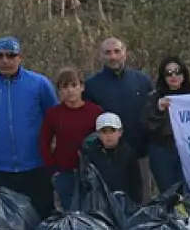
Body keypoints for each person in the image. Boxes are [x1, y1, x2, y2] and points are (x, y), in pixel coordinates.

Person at [0, 37, 59, 218]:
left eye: (11, 55)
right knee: (4, 223)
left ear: (20, 57)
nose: (5, 60)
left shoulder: (39, 84)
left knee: (41, 217)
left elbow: (53, 118)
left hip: (35, 165)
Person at [83, 38, 154, 201]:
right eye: (107, 53)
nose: (113, 56)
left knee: (143, 201)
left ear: (125, 53)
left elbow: (153, 115)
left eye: (117, 51)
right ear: (101, 56)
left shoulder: (142, 81)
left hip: (140, 154)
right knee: (110, 204)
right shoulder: (92, 86)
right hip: (108, 159)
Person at [39, 67, 103, 210]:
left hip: (90, 172)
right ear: (59, 91)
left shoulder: (95, 111)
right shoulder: (53, 114)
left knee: (92, 211)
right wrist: (52, 169)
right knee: (71, 213)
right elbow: (44, 141)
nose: (70, 90)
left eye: (74, 85)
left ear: (82, 87)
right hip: (64, 172)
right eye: (65, 87)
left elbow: (104, 139)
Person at [142, 56, 190, 193]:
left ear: (184, 74)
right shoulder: (154, 97)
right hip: (163, 150)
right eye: (168, 73)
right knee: (169, 192)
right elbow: (147, 125)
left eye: (177, 72)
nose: (173, 76)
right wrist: (159, 110)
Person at [79, 112, 143, 205]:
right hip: (99, 205)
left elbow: (135, 182)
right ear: (99, 134)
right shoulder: (91, 154)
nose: (109, 135)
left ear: (120, 132)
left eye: (112, 130)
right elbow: (85, 183)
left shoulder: (128, 153)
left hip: (124, 204)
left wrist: (135, 203)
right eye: (104, 132)